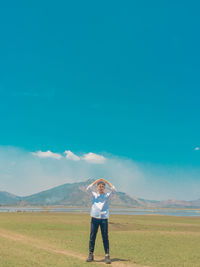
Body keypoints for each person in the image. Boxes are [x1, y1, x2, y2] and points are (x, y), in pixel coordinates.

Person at [86, 178, 116, 264]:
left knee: (105, 237)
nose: (101, 187)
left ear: (104, 188)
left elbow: (114, 190)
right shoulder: (94, 195)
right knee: (92, 237)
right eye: (99, 186)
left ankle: (107, 256)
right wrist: (97, 181)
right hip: (94, 218)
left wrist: (106, 181)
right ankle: (91, 255)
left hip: (103, 219)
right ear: (97, 187)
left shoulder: (107, 196)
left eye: (103, 186)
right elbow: (88, 189)